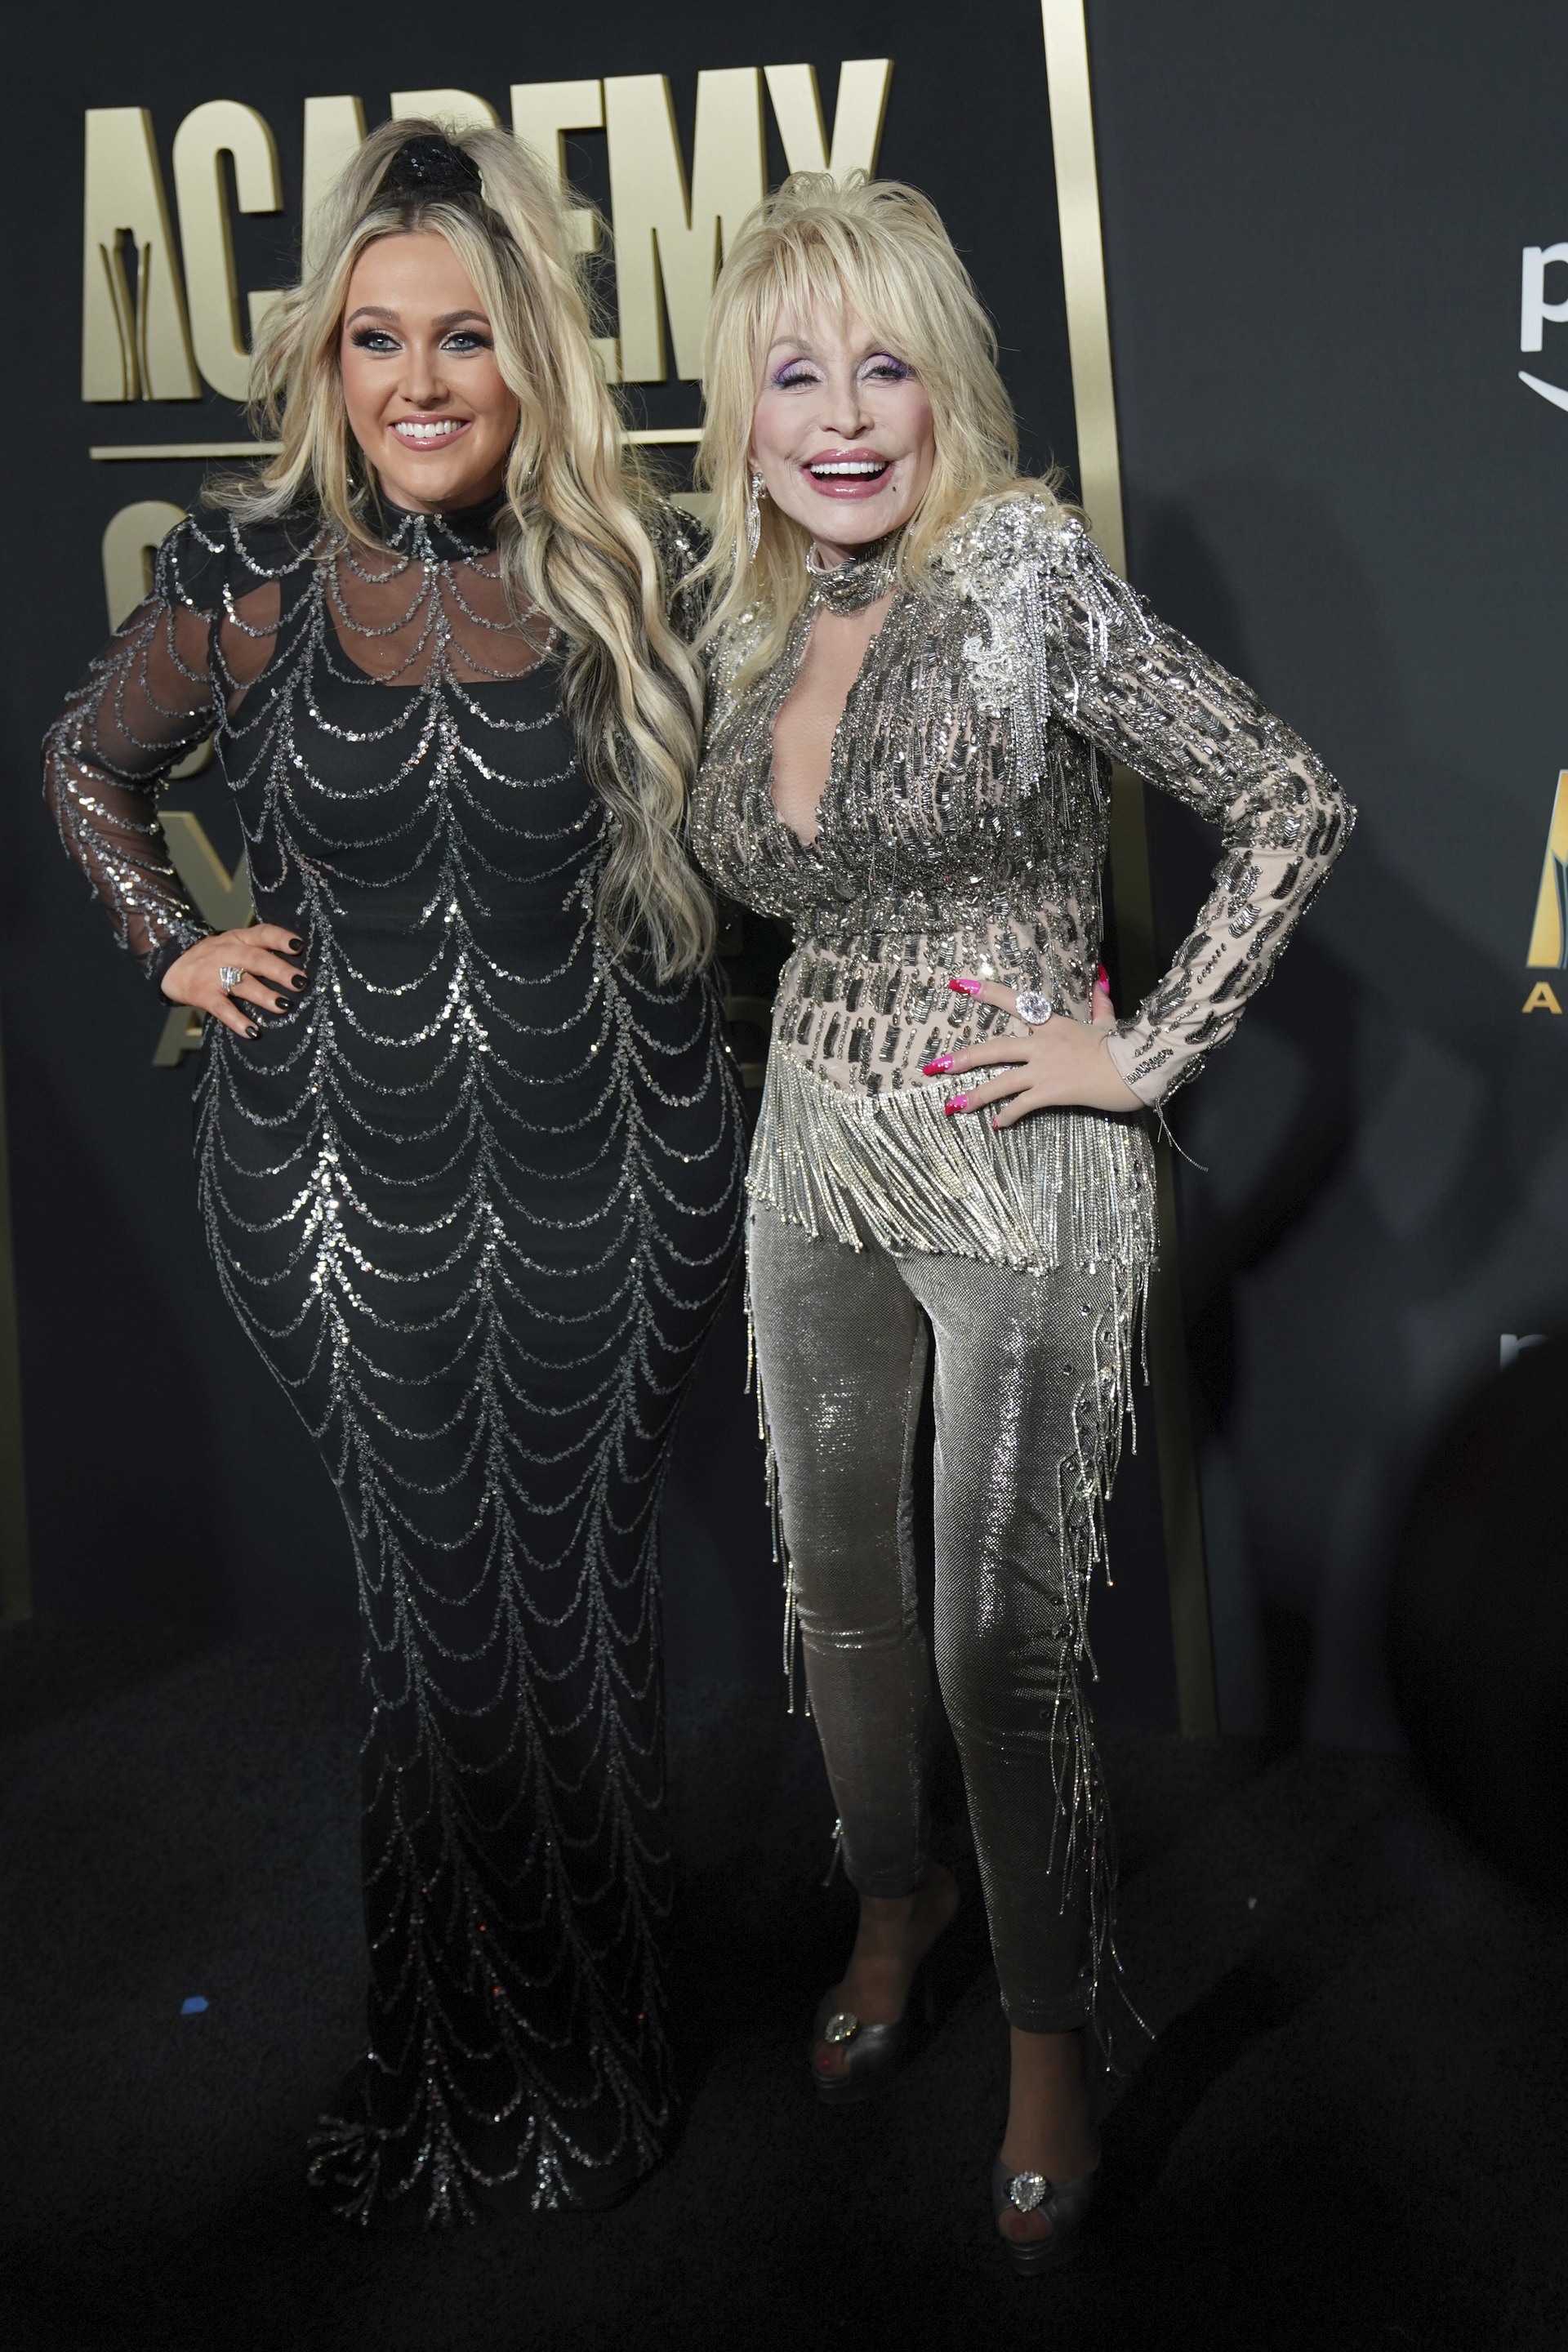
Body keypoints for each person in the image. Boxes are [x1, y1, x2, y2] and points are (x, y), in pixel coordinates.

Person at [43, 121, 745, 2227]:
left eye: (464, 336)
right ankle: (450, 2073)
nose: (420, 380)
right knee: (434, 1626)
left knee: (582, 1613)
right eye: (376, 339)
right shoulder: (246, 583)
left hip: (617, 1187)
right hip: (337, 1197)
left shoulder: (647, 577)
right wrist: (170, 935)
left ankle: (599, 2062)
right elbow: (90, 760)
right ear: (327, 364)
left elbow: (780, 853)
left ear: (530, 351)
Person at [689, 174, 1352, 2274]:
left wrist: (1146, 1057)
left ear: (944, 380)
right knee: (844, 1604)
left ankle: (1053, 2033)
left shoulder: (1028, 577)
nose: (847, 414)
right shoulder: (757, 614)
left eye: (886, 364)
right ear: (746, 410)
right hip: (807, 1151)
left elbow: (1285, 799)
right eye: (799, 374)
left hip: (1016, 1163)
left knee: (1001, 1638)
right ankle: (899, 1898)